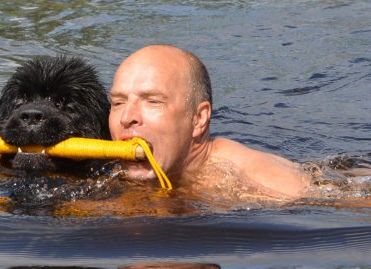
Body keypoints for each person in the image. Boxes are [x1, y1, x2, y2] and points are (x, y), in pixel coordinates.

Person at [108, 44, 322, 203]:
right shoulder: (108, 171)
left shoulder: (267, 185)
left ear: (199, 119)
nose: (126, 117)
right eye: (118, 102)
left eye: (153, 101)